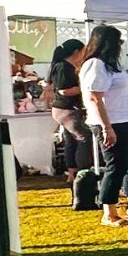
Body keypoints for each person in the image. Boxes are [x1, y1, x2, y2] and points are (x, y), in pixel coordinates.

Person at [78, 26, 128, 227]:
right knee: (116, 166)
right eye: (118, 42)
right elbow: (95, 98)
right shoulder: (95, 64)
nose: (120, 46)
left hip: (125, 119)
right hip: (111, 122)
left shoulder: (109, 65)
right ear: (108, 43)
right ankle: (109, 212)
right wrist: (106, 127)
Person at [43, 38, 88, 178]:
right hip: (67, 109)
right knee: (84, 138)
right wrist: (85, 89)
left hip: (63, 109)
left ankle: (72, 172)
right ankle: (83, 171)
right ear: (76, 52)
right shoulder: (64, 67)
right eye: (83, 51)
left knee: (71, 140)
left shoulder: (62, 66)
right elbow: (65, 90)